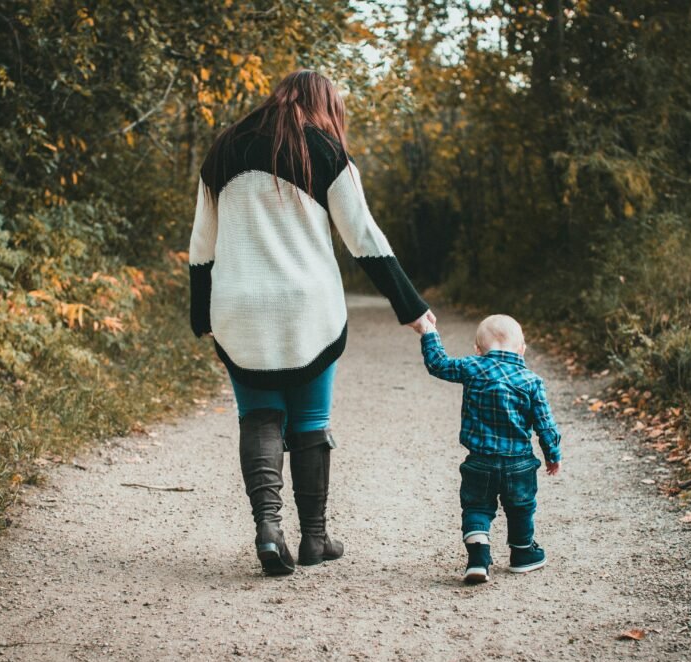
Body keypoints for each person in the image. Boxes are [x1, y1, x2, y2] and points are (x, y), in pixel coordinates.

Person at [188, 70, 435, 576]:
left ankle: (267, 529)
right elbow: (363, 235)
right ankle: (315, 539)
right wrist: (410, 306)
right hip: (309, 308)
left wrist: (201, 314)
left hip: (238, 305)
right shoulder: (323, 150)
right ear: (323, 104)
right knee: (310, 420)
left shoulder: (224, 148)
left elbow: (201, 245)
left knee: (258, 415)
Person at [416, 314, 562, 584]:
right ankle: (522, 554)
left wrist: (428, 332)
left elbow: (438, 364)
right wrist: (552, 454)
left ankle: (478, 558)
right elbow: (545, 424)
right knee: (521, 507)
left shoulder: (472, 366)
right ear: (522, 349)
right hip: (519, 464)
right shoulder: (531, 381)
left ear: (478, 349)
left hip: (479, 461)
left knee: (477, 507)